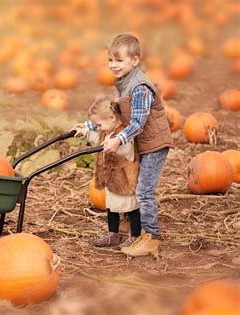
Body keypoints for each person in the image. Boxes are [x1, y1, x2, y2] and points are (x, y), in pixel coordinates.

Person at [72, 33, 174, 257]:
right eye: (110, 60)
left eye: (119, 60)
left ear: (135, 61)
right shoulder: (124, 84)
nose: (113, 65)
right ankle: (126, 228)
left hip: (154, 144)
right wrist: (89, 126)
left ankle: (150, 237)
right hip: (139, 143)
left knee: (143, 192)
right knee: (131, 186)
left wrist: (118, 139)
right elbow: (112, 116)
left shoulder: (139, 87)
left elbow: (137, 122)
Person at [74, 96, 141, 249]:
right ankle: (113, 234)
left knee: (131, 209)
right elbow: (97, 138)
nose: (98, 128)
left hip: (125, 180)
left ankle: (135, 236)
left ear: (112, 117)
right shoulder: (107, 132)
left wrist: (114, 145)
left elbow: (126, 150)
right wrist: (84, 132)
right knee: (111, 207)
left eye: (99, 124)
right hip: (111, 180)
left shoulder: (124, 134)